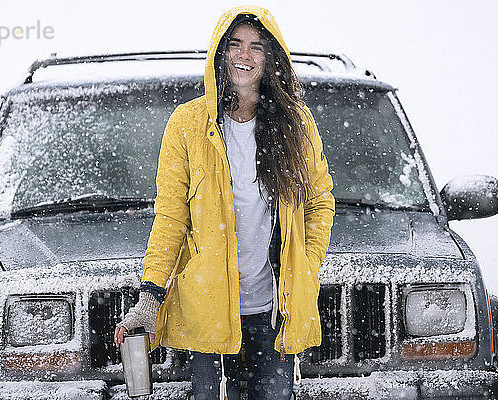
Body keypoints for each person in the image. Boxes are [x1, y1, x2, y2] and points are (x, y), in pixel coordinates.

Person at [114, 5, 335, 400]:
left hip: (273, 311)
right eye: (234, 45)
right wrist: (150, 297)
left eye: (255, 47)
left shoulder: (295, 124)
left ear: (271, 59)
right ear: (220, 53)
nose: (244, 56)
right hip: (209, 314)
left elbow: (319, 201)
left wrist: (306, 264)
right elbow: (169, 219)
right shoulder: (187, 125)